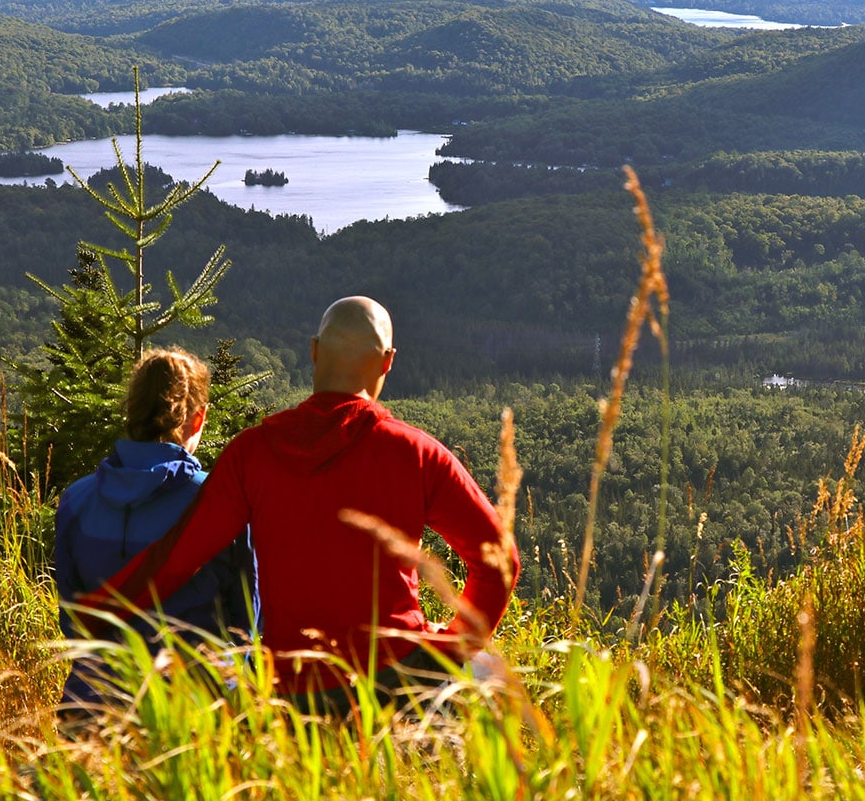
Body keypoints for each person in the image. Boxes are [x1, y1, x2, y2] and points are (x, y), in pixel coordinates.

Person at [77, 296, 520, 714]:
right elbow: (500, 563)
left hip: (295, 692)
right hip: (396, 679)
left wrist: (95, 613)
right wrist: (455, 643)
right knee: (491, 675)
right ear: (388, 361)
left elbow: (175, 560)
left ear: (313, 352)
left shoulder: (250, 455)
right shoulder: (416, 452)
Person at [54, 346, 258, 714]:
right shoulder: (222, 504)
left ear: (131, 411)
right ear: (198, 419)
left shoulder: (76, 501)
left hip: (94, 709)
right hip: (191, 714)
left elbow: (73, 622)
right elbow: (247, 626)